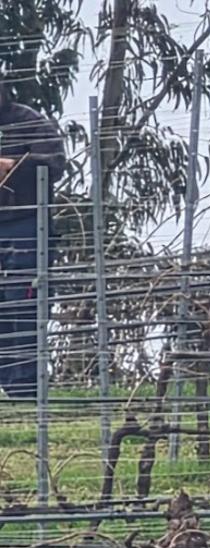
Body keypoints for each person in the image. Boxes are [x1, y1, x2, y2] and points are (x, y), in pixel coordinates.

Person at [0, 78, 66, 399]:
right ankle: (7, 383)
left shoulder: (28, 121)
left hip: (25, 223)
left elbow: (54, 163)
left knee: (23, 303)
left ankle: (25, 387)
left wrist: (12, 165)